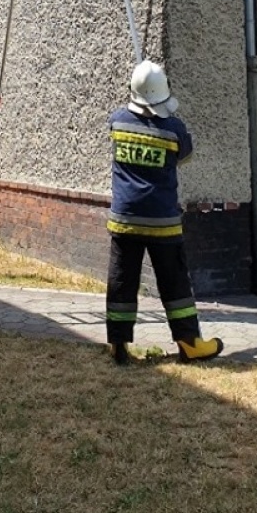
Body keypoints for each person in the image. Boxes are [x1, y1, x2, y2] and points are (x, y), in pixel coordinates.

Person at [106, 61, 224, 365]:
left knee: (122, 281)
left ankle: (118, 346)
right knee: (175, 284)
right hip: (163, 224)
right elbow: (185, 156)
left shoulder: (117, 122)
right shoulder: (174, 130)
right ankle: (189, 344)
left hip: (125, 221)